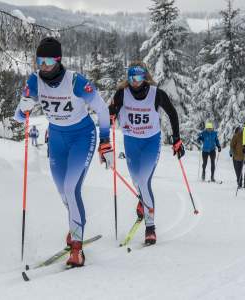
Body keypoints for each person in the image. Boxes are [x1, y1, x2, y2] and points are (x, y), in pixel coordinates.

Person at [14, 37, 112, 267]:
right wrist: (23, 107)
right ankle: (75, 223)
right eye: (40, 61)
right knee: (63, 192)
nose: (44, 65)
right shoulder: (35, 81)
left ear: (58, 60)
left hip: (82, 136)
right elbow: (19, 117)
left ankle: (76, 248)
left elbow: (102, 109)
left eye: (48, 60)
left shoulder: (76, 81)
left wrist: (105, 141)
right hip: (57, 138)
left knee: (71, 187)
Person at [109, 61, 184, 246]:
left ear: (145, 77)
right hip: (131, 141)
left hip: (151, 141)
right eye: (132, 77)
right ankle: (143, 202)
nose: (135, 81)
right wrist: (111, 113)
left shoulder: (156, 93)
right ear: (128, 78)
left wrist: (176, 139)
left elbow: (172, 113)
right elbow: (111, 111)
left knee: (143, 180)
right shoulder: (122, 93)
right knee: (137, 180)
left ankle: (150, 227)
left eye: (139, 77)